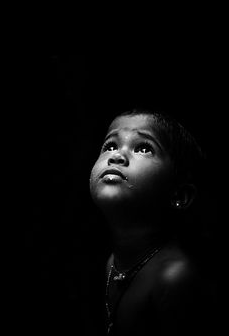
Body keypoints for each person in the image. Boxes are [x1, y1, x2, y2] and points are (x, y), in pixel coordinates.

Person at [89, 108, 219, 336]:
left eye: (143, 148)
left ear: (179, 195)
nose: (117, 156)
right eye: (110, 146)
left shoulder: (175, 277)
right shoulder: (113, 264)